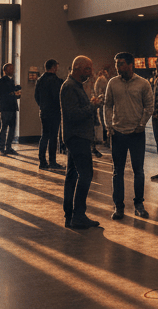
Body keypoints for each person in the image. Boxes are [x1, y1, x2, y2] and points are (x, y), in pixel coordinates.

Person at [103, 52, 153, 220]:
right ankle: (118, 206)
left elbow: (149, 106)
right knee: (117, 171)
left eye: (121, 64)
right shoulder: (112, 83)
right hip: (118, 133)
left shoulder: (143, 84)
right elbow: (107, 105)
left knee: (138, 171)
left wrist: (141, 124)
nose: (118, 67)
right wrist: (108, 126)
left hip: (136, 133)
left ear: (131, 65)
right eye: (117, 64)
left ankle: (139, 204)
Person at [60, 55, 103, 229]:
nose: (90, 73)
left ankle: (70, 215)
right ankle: (78, 215)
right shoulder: (70, 87)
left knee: (72, 175)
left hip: (75, 137)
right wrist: (93, 106)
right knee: (85, 175)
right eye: (87, 69)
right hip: (78, 137)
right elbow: (73, 115)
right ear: (77, 68)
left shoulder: (74, 86)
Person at [35, 59, 64, 169]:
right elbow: (58, 97)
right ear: (53, 67)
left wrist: (42, 106)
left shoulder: (40, 80)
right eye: (56, 66)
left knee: (44, 136)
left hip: (44, 111)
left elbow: (36, 96)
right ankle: (52, 161)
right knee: (53, 137)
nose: (57, 68)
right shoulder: (56, 81)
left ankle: (42, 161)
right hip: (54, 112)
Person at [0, 63, 21, 156]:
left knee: (12, 128)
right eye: (10, 69)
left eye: (13, 68)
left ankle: (9, 147)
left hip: (12, 107)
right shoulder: (1, 81)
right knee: (4, 128)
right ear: (5, 70)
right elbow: (2, 95)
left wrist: (15, 93)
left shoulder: (11, 81)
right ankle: (2, 148)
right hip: (5, 108)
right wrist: (14, 94)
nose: (12, 70)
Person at [94, 68, 110, 148]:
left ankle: (105, 139)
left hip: (100, 102)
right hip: (103, 102)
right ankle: (106, 139)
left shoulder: (98, 80)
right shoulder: (103, 80)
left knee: (103, 121)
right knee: (105, 121)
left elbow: (96, 90)